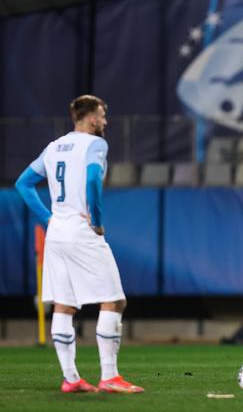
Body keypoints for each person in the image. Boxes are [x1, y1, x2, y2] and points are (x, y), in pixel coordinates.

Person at [14, 95, 143, 393]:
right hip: (82, 231)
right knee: (113, 300)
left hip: (57, 232)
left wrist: (48, 217)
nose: (106, 121)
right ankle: (109, 377)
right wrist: (97, 220)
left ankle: (71, 378)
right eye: (103, 115)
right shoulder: (95, 144)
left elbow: (23, 184)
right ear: (92, 117)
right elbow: (93, 179)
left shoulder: (54, 146)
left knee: (64, 305)